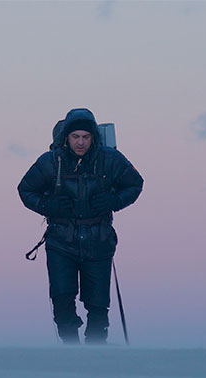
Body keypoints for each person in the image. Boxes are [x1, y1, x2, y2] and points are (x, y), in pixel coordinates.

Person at [17, 108, 143, 344]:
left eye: (86, 136)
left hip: (99, 241)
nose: (81, 142)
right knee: (62, 299)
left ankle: (95, 351)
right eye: (76, 136)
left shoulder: (110, 159)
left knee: (98, 306)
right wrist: (49, 205)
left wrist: (114, 201)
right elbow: (25, 189)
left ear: (93, 137)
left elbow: (135, 183)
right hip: (60, 242)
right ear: (66, 137)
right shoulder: (50, 161)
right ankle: (70, 351)